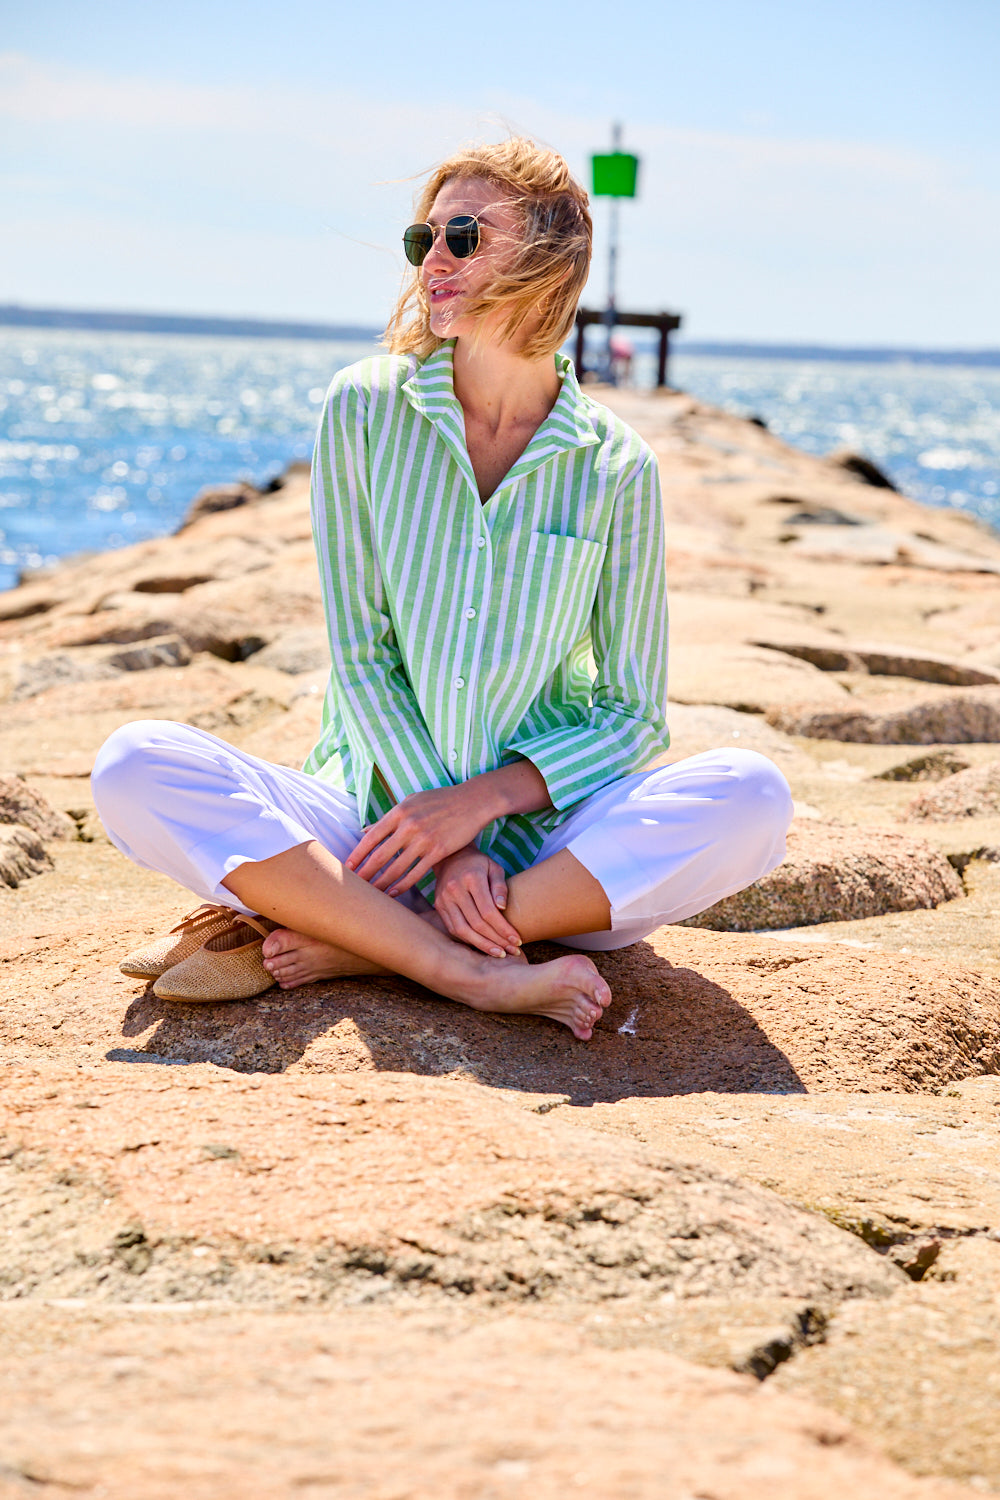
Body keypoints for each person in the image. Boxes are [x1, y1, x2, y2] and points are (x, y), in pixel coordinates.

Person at [91, 138, 792, 1042]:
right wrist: (441, 842)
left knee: (754, 796)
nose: (434, 261)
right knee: (133, 765)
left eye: (463, 236)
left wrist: (479, 808)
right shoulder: (365, 409)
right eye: (425, 238)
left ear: (548, 259)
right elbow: (361, 655)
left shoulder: (616, 467)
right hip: (368, 826)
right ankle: (455, 963)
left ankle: (369, 939)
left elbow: (630, 715)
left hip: (545, 861)